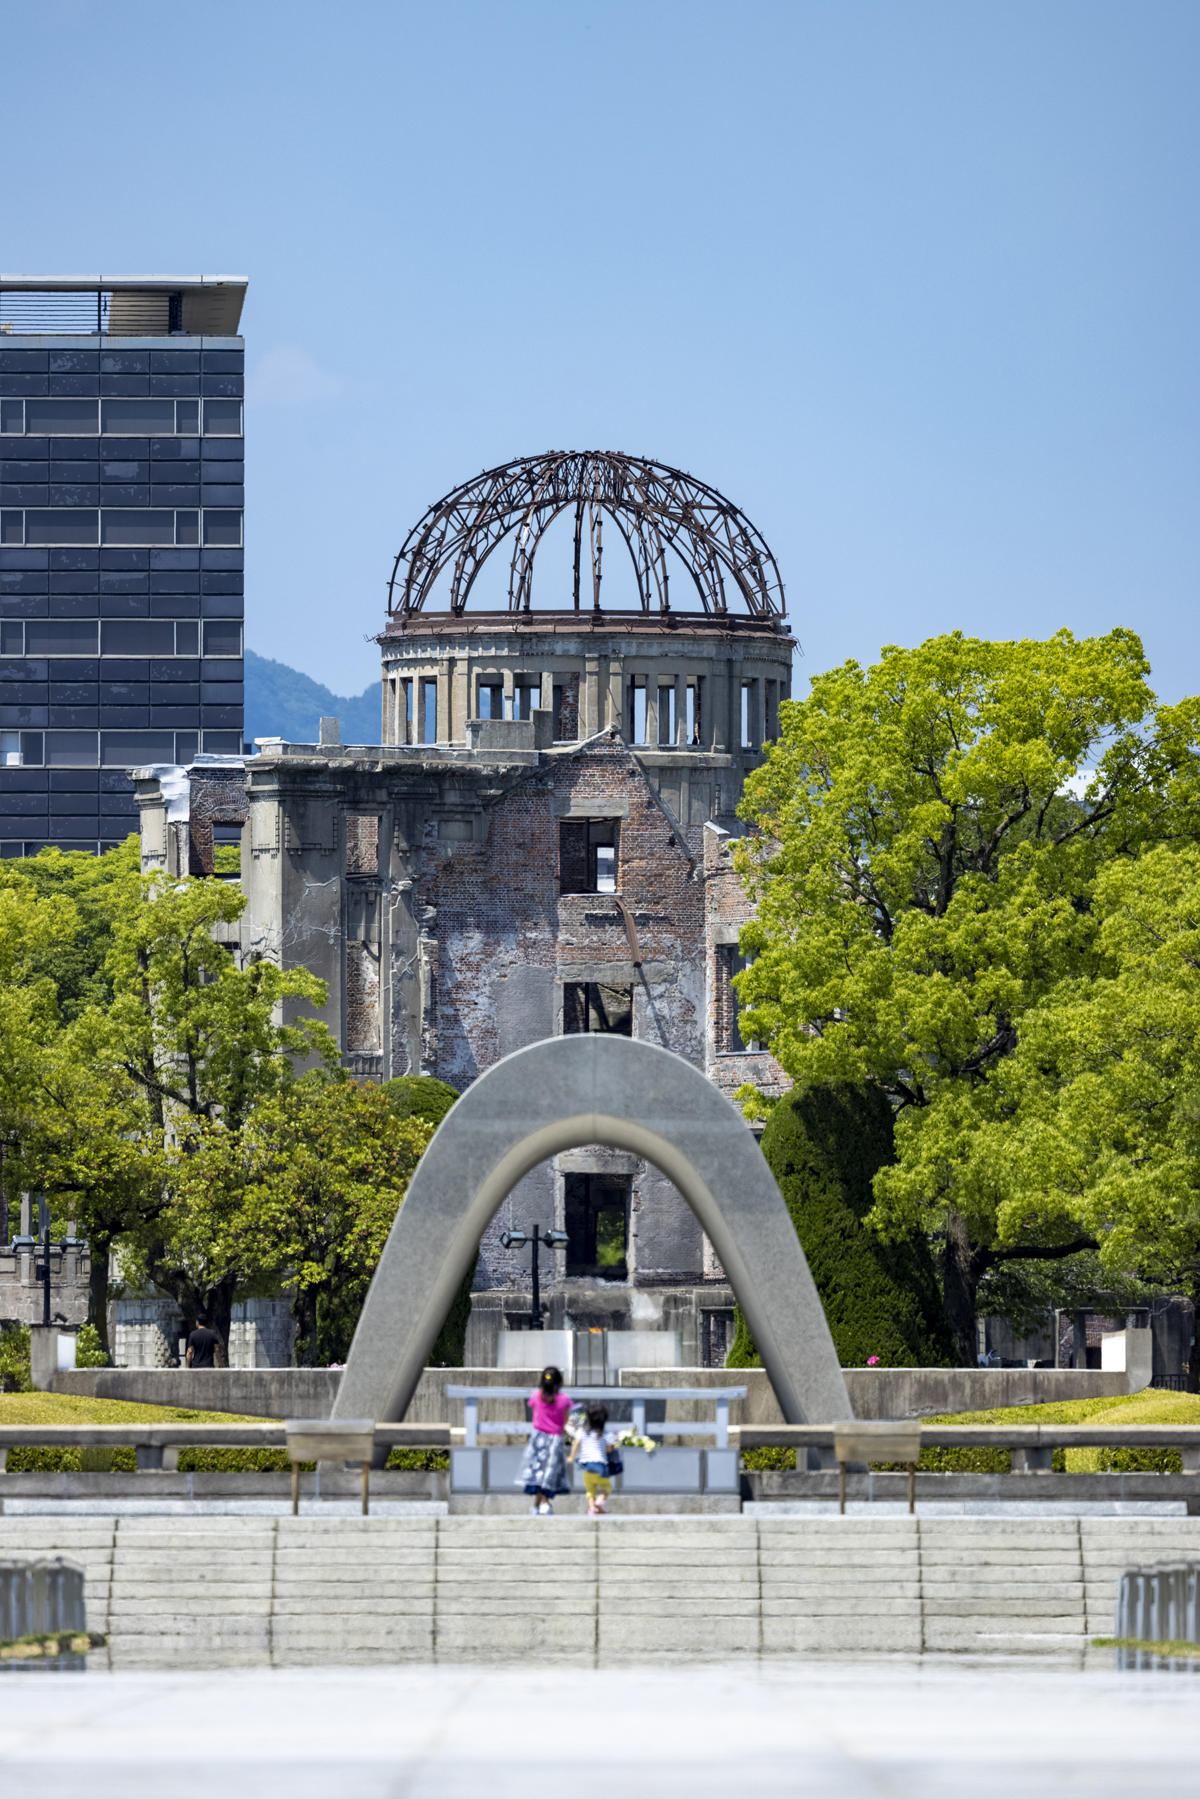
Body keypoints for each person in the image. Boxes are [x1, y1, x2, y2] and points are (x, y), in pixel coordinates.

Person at [519, 1364, 572, 1515]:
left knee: (538, 1473)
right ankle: (544, 1503)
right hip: (554, 1439)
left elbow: (535, 1413)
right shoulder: (563, 1400)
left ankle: (537, 1505)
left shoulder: (536, 1396)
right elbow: (565, 1419)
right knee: (548, 1473)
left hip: (538, 1438)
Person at [567, 1403, 617, 1516]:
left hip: (586, 1466)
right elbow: (610, 1449)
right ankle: (601, 1500)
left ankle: (592, 1508)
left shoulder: (582, 1431)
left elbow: (576, 1443)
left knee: (590, 1489)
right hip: (600, 1465)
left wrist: (571, 1457)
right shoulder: (605, 1433)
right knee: (607, 1486)